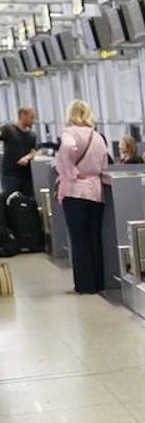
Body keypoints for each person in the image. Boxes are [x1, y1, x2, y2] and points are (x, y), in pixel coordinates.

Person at [54, 100, 110, 294]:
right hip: (96, 192)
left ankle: (85, 285)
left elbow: (68, 148)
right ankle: (99, 282)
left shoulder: (69, 133)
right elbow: (104, 165)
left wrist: (72, 172)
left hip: (76, 192)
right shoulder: (98, 136)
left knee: (79, 240)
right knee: (95, 238)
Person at [1, 106, 41, 198]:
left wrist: (27, 157)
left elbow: (33, 151)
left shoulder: (32, 135)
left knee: (26, 203)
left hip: (26, 176)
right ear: (23, 116)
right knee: (10, 201)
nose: (33, 121)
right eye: (31, 118)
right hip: (10, 175)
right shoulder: (8, 129)